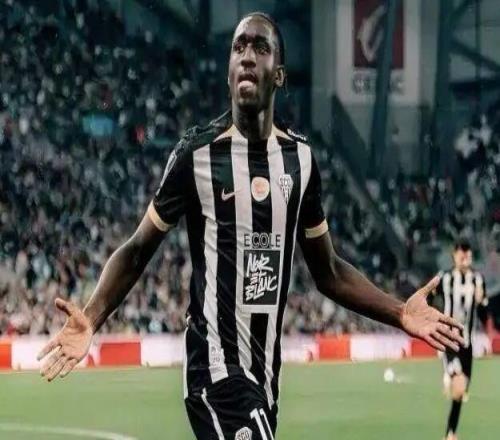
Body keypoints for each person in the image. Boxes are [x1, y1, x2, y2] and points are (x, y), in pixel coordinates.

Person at [38, 12, 464, 440]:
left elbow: (330, 271)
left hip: (264, 382)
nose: (246, 56)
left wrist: (399, 312)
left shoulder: (300, 161)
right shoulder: (196, 155)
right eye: (238, 47)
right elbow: (136, 251)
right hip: (215, 372)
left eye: (260, 48)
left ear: (278, 74)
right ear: (228, 71)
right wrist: (91, 316)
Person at [432, 240, 488, 440]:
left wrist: (481, 302)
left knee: (460, 392)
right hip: (449, 341)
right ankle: (450, 374)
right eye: (461, 254)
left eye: (467, 254)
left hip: (467, 344)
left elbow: (483, 315)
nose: (465, 258)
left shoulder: (478, 280)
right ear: (454, 256)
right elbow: (430, 297)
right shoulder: (445, 278)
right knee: (458, 383)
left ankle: (450, 433)